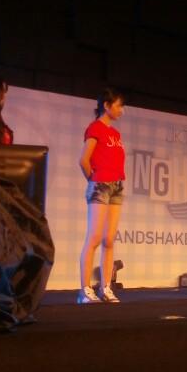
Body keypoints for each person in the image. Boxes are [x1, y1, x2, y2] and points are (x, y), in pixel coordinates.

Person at [77, 88, 126, 304]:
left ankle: (106, 287)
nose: (121, 110)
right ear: (106, 106)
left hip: (117, 186)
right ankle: (85, 290)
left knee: (109, 239)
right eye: (119, 105)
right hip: (100, 185)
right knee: (95, 237)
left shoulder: (115, 133)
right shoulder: (95, 128)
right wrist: (94, 181)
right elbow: (84, 160)